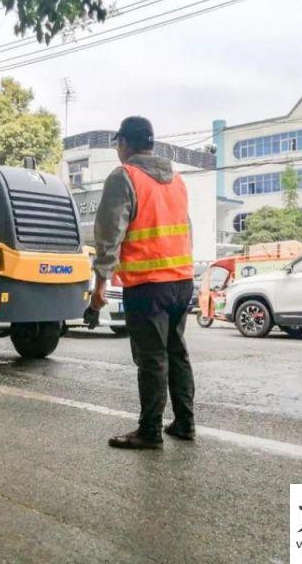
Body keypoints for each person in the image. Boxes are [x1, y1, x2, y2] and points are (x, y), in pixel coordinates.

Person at [90, 116, 196, 450]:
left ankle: (149, 431)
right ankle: (184, 423)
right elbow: (186, 230)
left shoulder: (125, 176)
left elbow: (110, 233)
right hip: (182, 280)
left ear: (124, 143)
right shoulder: (176, 180)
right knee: (176, 352)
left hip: (148, 285)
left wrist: (100, 284)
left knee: (151, 358)